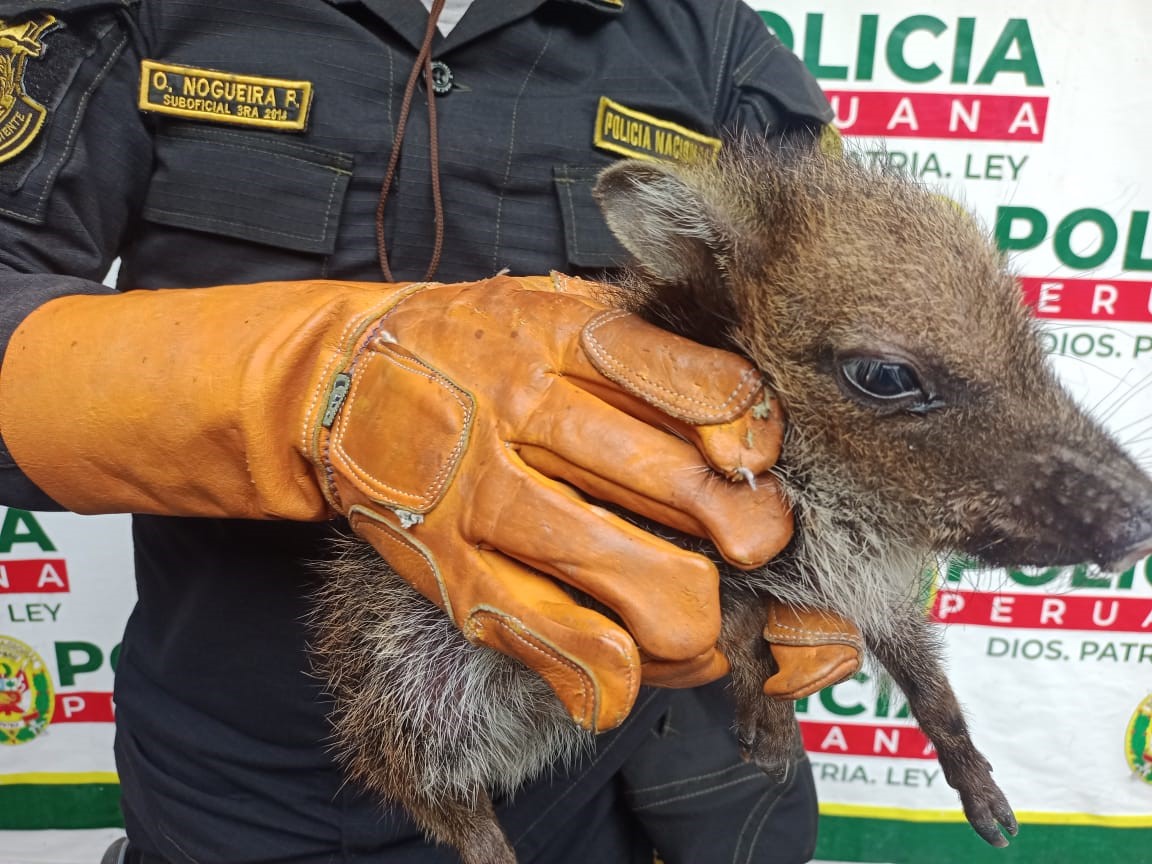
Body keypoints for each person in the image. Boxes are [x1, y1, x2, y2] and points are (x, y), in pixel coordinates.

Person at [0, 1, 858, 861]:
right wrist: (309, 386)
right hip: (230, 785)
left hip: (599, 767)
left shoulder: (706, 40)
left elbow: (859, 329)